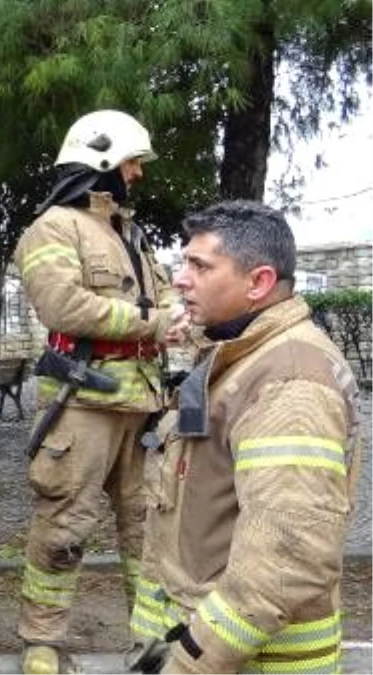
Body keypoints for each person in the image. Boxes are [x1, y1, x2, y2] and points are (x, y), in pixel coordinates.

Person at [126, 201, 362, 674]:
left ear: (258, 283)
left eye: (200, 266)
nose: (180, 278)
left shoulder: (289, 384)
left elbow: (286, 556)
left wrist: (190, 661)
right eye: (183, 262)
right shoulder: (240, 356)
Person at [11, 109, 187, 675]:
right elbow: (62, 306)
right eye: (133, 161)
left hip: (146, 407)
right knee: (64, 526)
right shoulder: (53, 228)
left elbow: (166, 308)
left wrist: (175, 321)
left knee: (151, 528)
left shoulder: (131, 235)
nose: (137, 173)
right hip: (82, 406)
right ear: (104, 162)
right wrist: (153, 321)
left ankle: (153, 645)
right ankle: (41, 641)